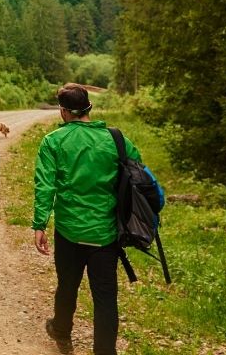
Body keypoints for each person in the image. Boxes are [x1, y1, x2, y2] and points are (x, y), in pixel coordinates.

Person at [32, 83, 142, 355]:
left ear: (63, 111)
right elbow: (138, 173)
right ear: (89, 108)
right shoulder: (116, 140)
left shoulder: (53, 141)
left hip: (69, 229)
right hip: (105, 233)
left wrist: (40, 224)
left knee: (67, 286)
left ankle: (62, 332)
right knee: (105, 297)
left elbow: (45, 186)